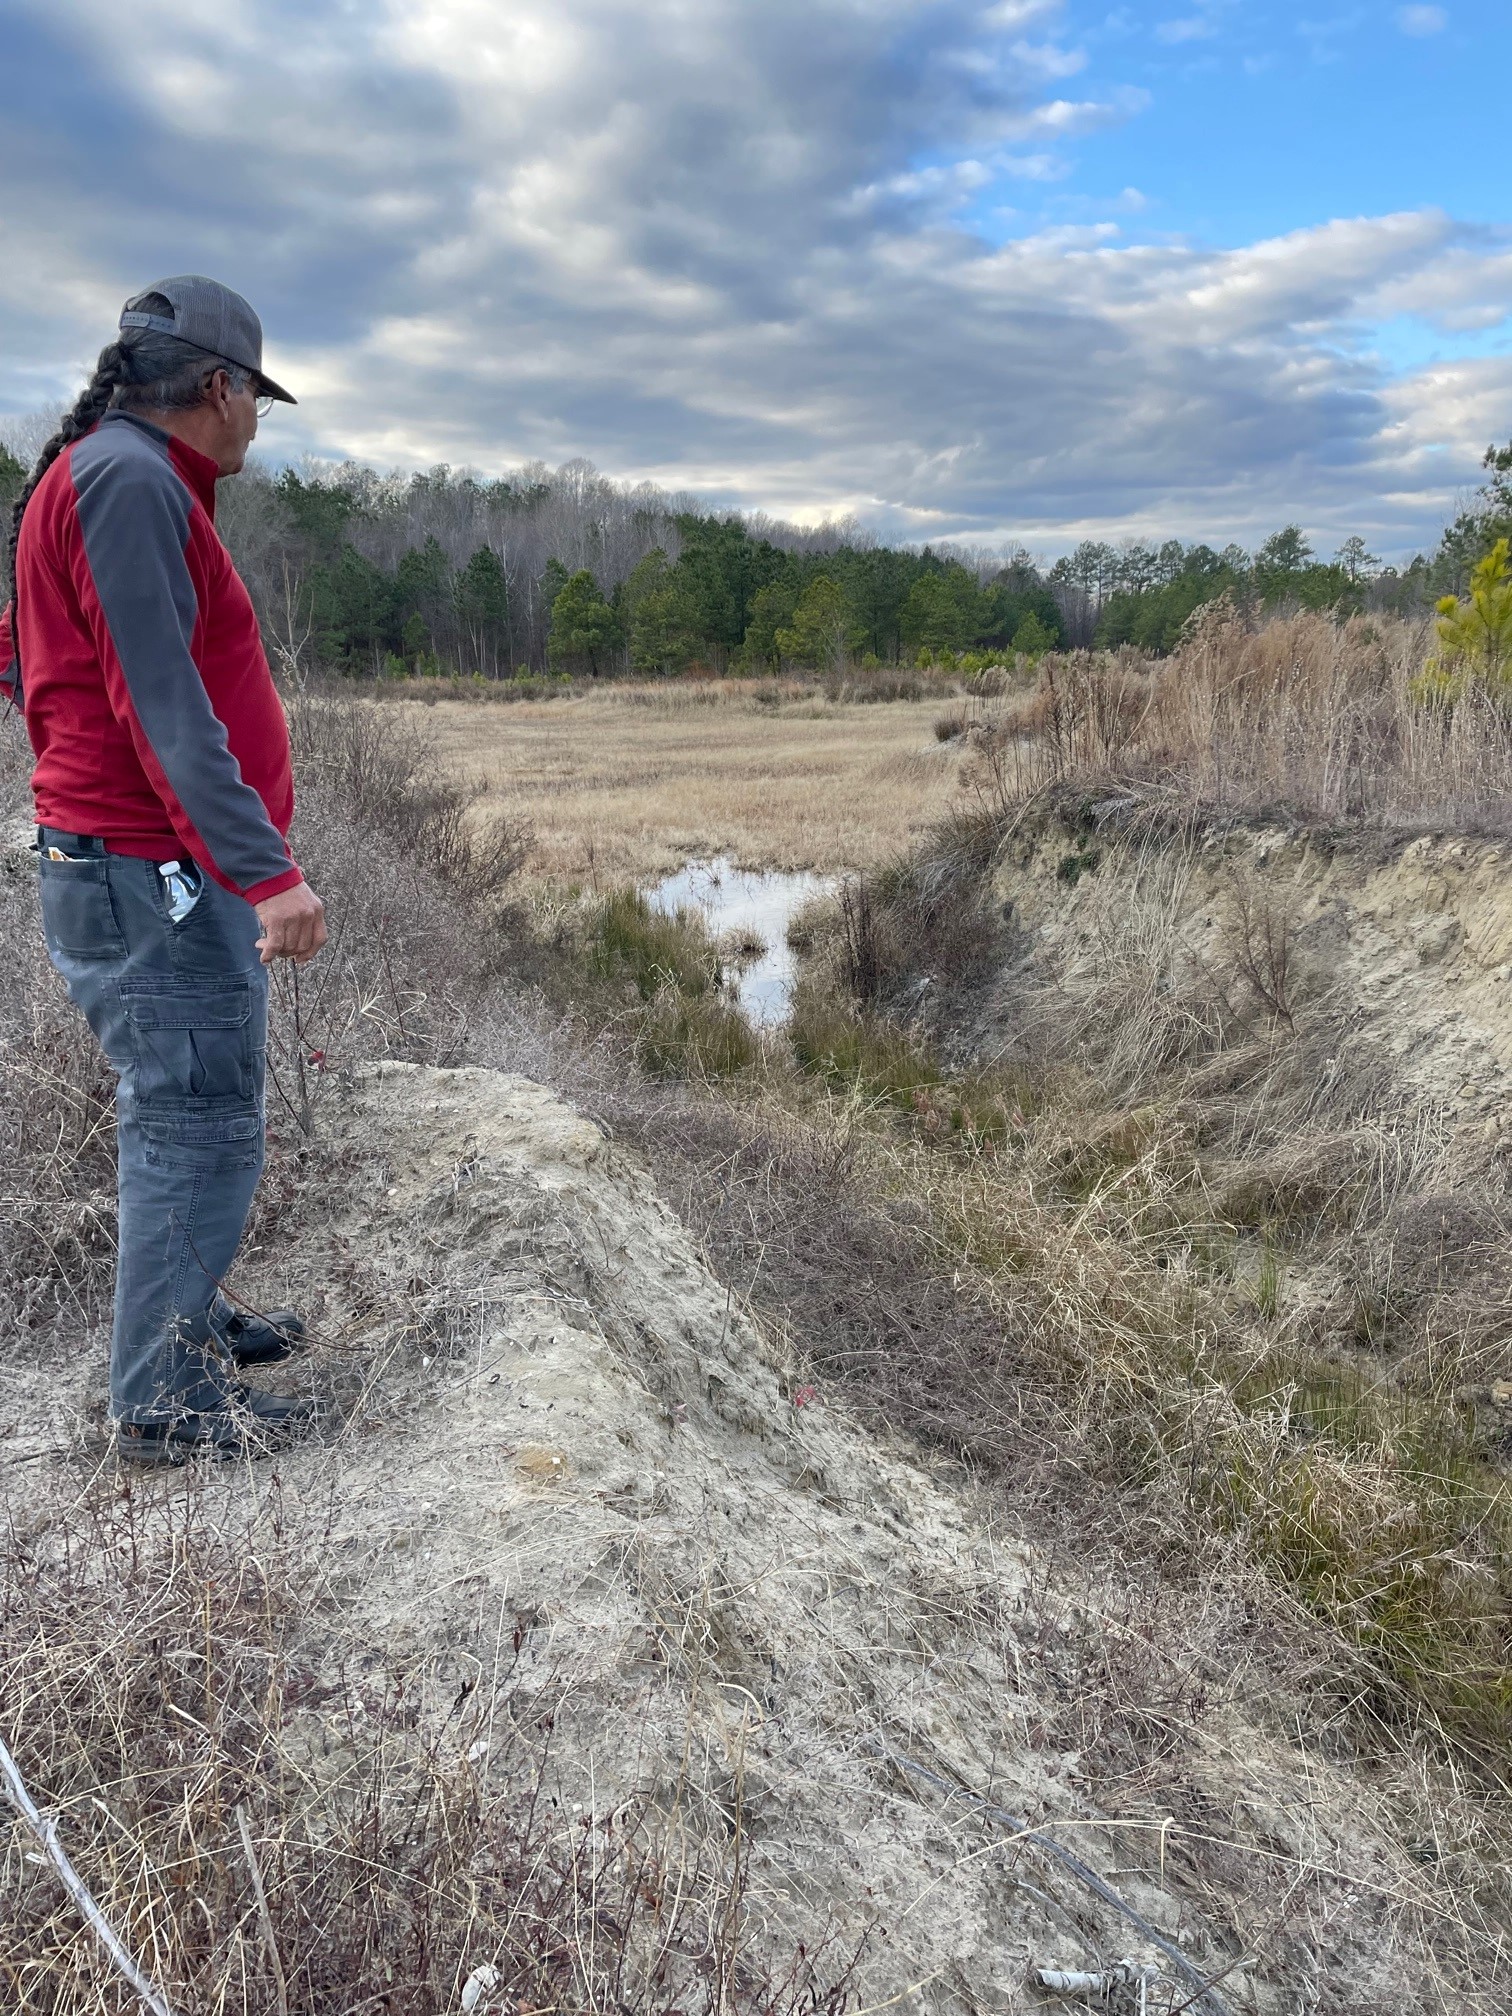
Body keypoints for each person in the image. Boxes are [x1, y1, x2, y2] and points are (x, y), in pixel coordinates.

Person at [0, 275, 328, 1464]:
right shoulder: (131, 481)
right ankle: (163, 1403)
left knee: (191, 1112)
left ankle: (183, 1322)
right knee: (197, 1126)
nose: (254, 425)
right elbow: (163, 701)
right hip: (157, 873)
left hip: (134, 863)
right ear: (217, 387)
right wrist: (265, 870)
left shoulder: (102, 474)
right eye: (256, 402)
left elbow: (27, 651)